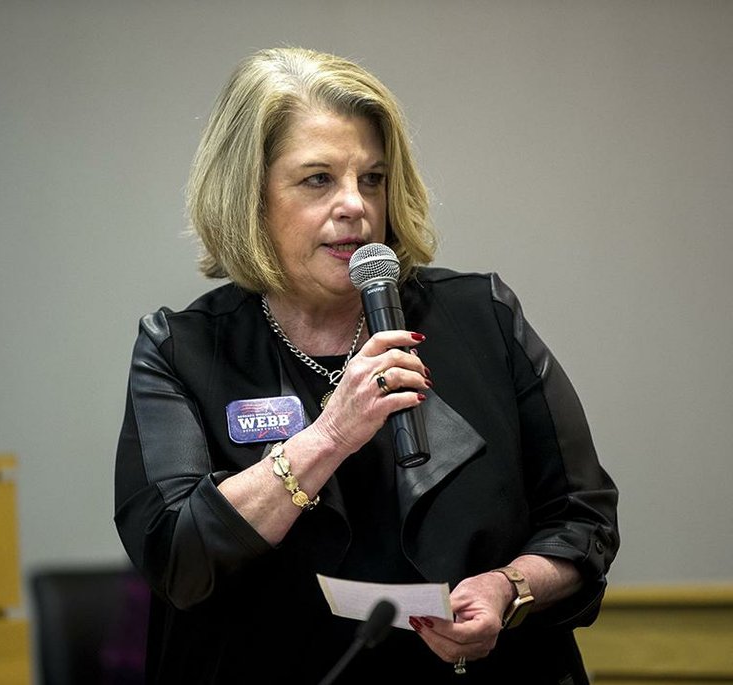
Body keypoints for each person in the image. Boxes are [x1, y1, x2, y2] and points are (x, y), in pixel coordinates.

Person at [114, 46, 619, 684]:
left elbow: (583, 520)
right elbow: (177, 556)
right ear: (249, 196)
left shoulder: (479, 319)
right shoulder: (182, 351)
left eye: (372, 179)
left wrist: (509, 588)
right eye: (318, 179)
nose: (356, 205)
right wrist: (328, 436)